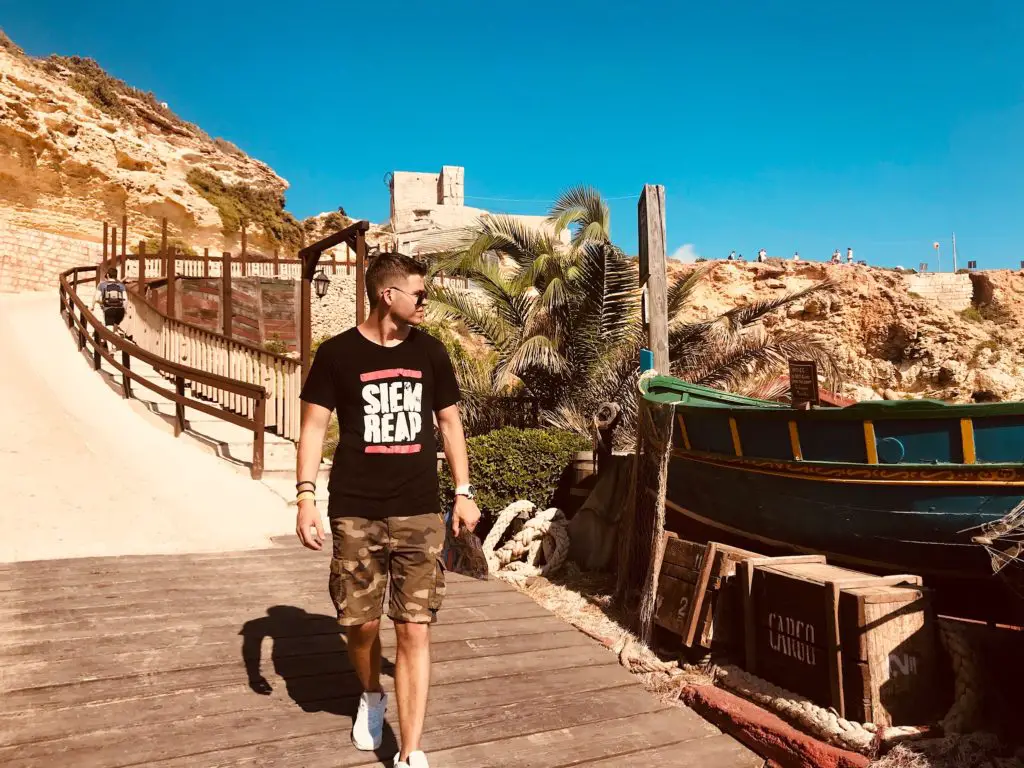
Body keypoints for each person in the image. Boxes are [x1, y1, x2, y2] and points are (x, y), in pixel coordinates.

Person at [295, 252, 481, 768]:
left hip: (419, 510)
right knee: (361, 625)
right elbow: (312, 428)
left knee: (414, 627)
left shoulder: (432, 352)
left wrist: (463, 490)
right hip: (355, 510)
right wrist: (306, 496)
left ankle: (412, 751)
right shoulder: (337, 354)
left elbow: (449, 424)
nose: (426, 302)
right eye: (419, 294)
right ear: (387, 295)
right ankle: (371, 695)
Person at [92, 267, 127, 333]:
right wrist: (124, 310)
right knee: (115, 330)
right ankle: (117, 337)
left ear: (107, 275)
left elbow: (96, 298)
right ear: (116, 276)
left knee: (109, 332)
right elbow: (125, 300)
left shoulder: (102, 285)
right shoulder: (121, 285)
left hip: (109, 310)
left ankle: (110, 342)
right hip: (120, 311)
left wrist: (93, 307)